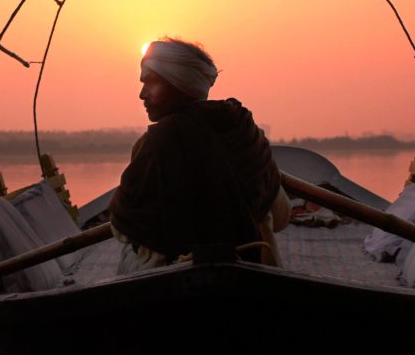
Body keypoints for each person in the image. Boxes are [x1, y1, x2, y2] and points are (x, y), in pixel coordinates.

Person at [109, 38, 289, 272]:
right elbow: (282, 217)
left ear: (179, 84)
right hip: (254, 273)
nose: (142, 94)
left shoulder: (156, 143)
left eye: (151, 83)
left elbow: (121, 229)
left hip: (168, 280)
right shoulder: (243, 128)